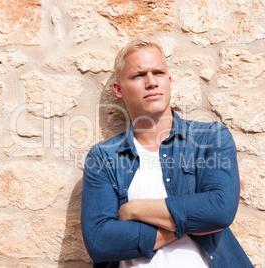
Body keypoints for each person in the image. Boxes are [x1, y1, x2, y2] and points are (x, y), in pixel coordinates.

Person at [81, 39, 253, 268]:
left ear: (169, 81)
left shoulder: (209, 138)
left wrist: (134, 209)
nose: (151, 82)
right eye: (138, 75)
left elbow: (220, 210)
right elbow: (99, 242)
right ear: (119, 89)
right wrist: (191, 223)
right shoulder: (104, 158)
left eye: (158, 72)